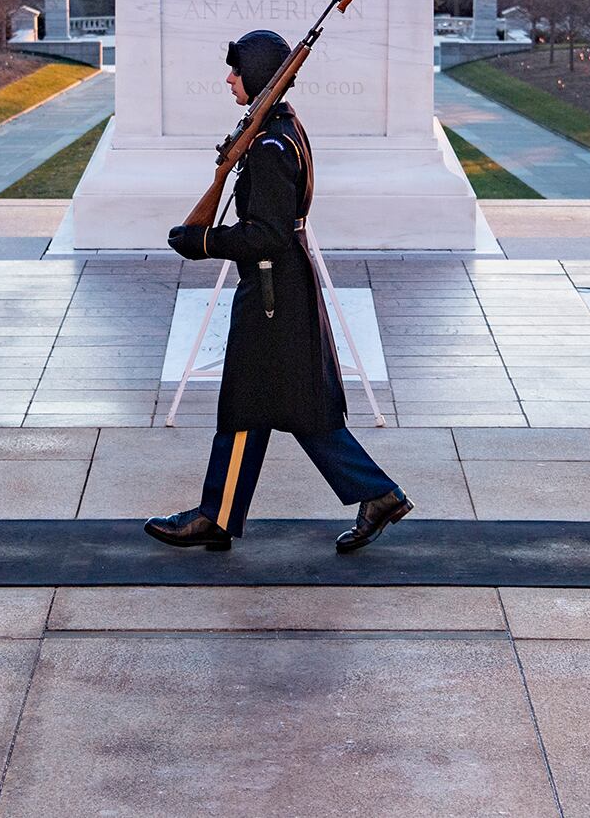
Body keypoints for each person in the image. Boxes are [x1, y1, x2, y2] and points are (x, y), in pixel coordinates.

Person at [147, 28, 413, 554]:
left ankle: (220, 516)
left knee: (269, 407)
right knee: (275, 408)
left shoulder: (269, 147)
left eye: (236, 70)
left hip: (272, 294)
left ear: (259, 76)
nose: (228, 78)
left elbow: (265, 233)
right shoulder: (278, 128)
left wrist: (204, 241)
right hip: (280, 286)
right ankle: (224, 514)